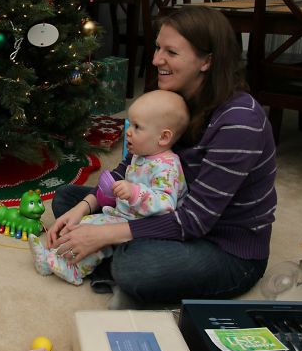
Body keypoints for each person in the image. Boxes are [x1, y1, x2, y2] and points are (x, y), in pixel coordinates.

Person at [47, 5, 276, 305]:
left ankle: (115, 253)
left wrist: (105, 234)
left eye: (171, 52)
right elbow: (129, 168)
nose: (156, 60)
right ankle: (115, 245)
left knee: (137, 268)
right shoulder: (171, 97)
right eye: (157, 48)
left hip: (223, 245)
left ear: (207, 61)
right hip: (163, 208)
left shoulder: (239, 121)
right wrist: (85, 207)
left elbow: (195, 220)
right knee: (66, 199)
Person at [29, 90, 189, 285]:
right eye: (130, 123)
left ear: (163, 137)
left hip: (145, 229)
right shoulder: (141, 152)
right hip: (123, 214)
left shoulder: (168, 166)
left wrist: (134, 193)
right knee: (84, 222)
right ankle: (50, 258)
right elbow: (117, 175)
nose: (128, 131)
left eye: (137, 127)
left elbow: (166, 204)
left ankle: (74, 270)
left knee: (98, 238)